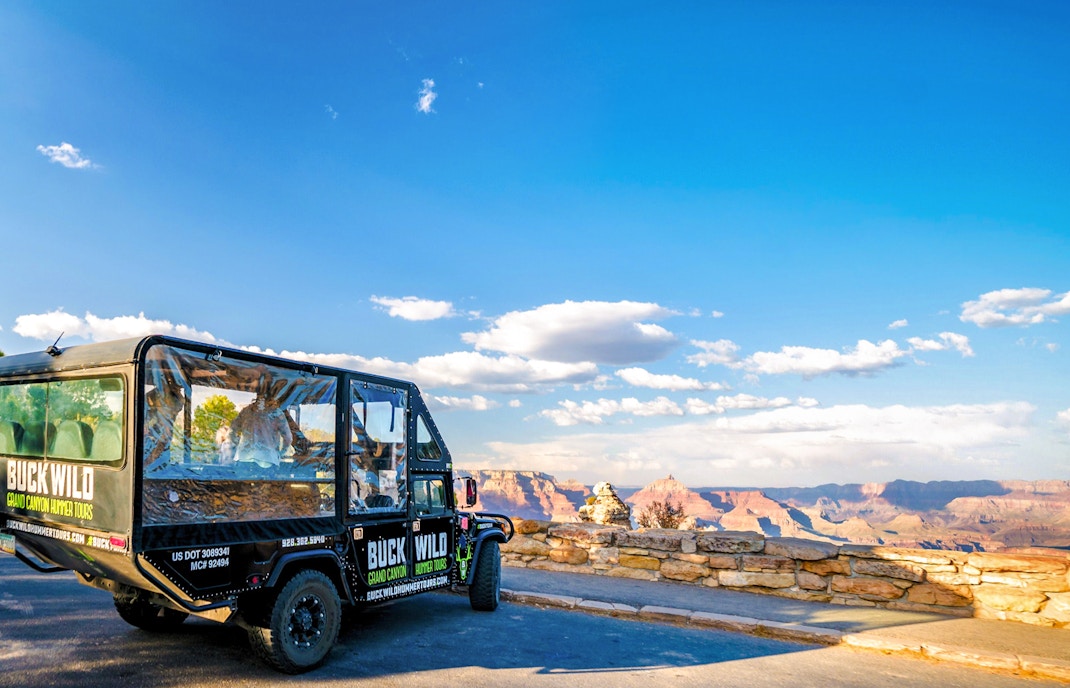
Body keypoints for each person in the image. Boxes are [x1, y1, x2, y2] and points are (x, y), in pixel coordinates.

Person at [229, 393, 292, 469]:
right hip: (267, 459)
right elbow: (288, 438)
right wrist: (280, 453)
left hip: (244, 458)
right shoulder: (276, 413)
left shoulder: (245, 411)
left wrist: (239, 444)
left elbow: (232, 431)